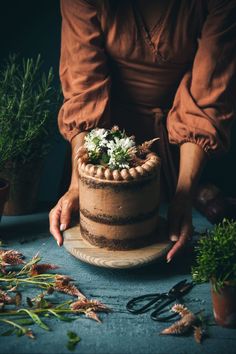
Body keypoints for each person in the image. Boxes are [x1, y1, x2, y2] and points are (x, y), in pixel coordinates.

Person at [49, 0, 236, 262]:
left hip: (183, 151)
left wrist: (184, 195)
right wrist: (80, 183)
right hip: (99, 147)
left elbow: (208, 96)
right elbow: (84, 89)